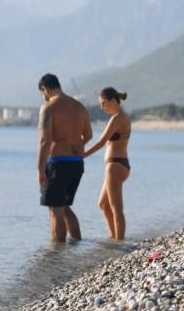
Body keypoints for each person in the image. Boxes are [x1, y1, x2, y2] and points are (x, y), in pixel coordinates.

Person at [37, 73, 93, 242]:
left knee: (55, 211)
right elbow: (89, 135)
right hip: (76, 164)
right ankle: (76, 248)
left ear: (45, 88)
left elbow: (45, 141)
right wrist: (74, 145)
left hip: (57, 164)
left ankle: (57, 258)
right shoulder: (80, 107)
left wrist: (39, 170)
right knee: (65, 208)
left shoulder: (48, 108)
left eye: (42, 93)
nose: (43, 97)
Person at [83, 87, 131, 240]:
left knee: (117, 208)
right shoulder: (123, 116)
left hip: (115, 166)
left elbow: (101, 142)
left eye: (104, 103)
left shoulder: (117, 118)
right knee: (104, 204)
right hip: (119, 164)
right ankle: (114, 238)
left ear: (112, 100)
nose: (102, 107)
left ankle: (120, 243)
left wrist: (81, 155)